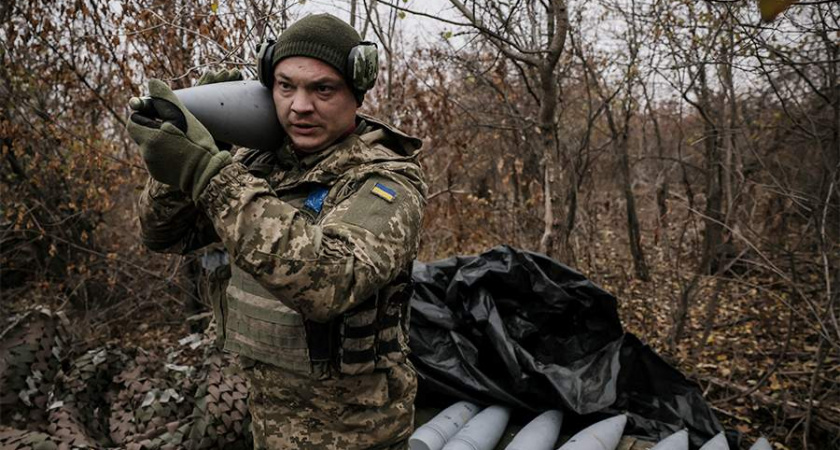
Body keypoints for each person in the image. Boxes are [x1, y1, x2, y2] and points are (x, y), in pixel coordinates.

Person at [128, 13, 426, 449]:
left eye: (323, 89)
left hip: (357, 437)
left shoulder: (386, 181)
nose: (300, 106)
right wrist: (194, 156)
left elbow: (330, 282)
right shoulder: (260, 165)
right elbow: (163, 234)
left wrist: (208, 172)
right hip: (269, 425)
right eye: (286, 86)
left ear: (356, 93)